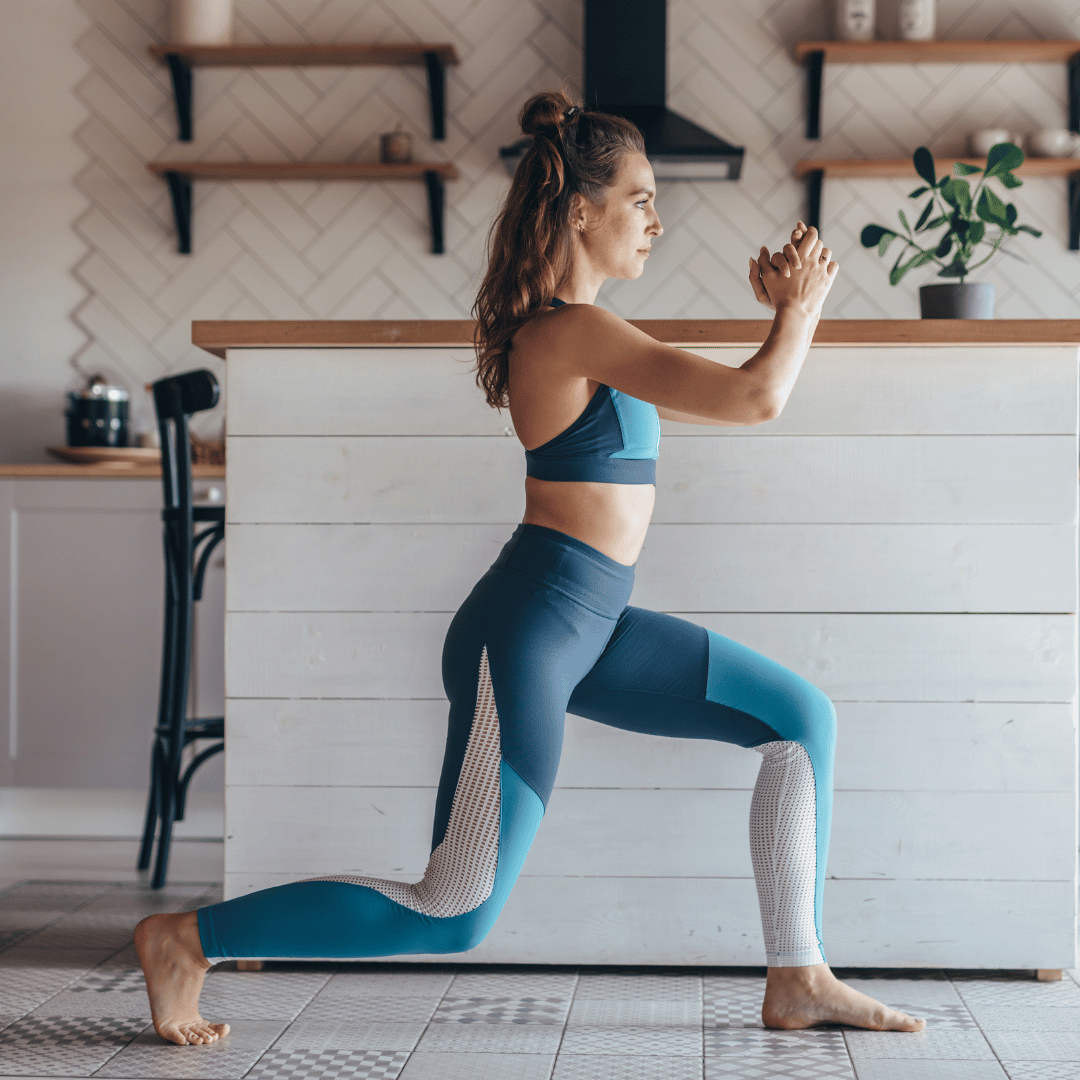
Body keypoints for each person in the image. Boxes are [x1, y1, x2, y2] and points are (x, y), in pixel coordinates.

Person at [134, 89, 926, 1046]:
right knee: (456, 908)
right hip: (530, 632)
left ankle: (798, 974)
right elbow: (758, 399)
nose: (657, 220)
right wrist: (800, 307)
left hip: (596, 625)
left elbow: (745, 390)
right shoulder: (567, 331)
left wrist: (781, 319)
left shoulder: (588, 331)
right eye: (640, 198)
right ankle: (188, 938)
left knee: (800, 722)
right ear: (581, 210)